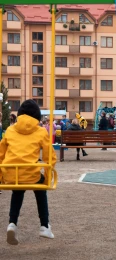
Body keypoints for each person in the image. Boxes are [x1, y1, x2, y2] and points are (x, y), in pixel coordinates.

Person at [0, 99, 57, 245]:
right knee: (40, 188)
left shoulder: (10, 130)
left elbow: (1, 153)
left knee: (17, 189)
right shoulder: (40, 131)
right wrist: (48, 175)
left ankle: (12, 223)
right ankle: (44, 225)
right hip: (31, 175)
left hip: (11, 173)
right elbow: (49, 157)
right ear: (37, 116)